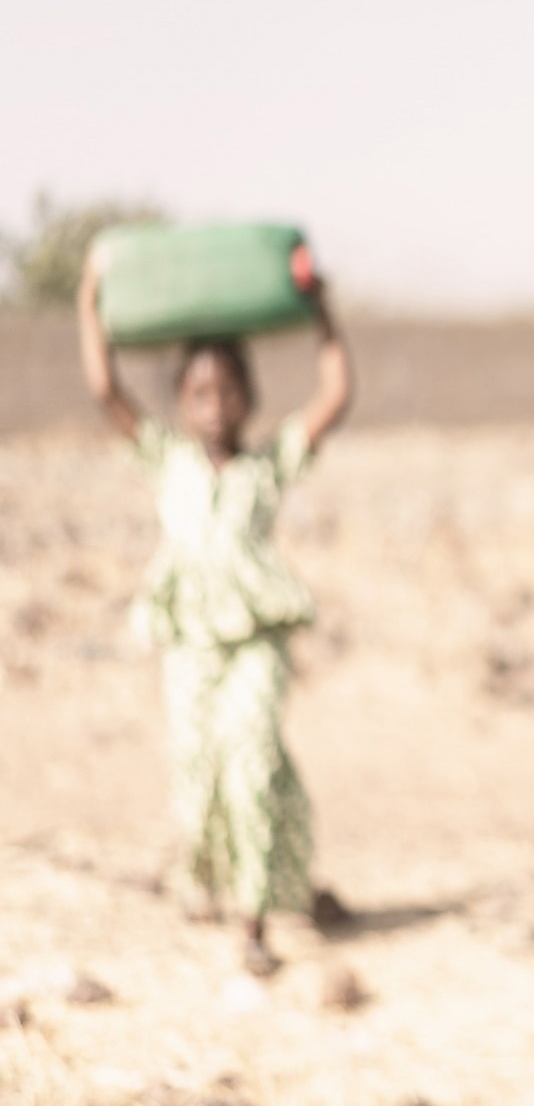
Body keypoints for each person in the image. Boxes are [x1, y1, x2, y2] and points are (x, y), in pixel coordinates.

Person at [76, 251, 355, 977]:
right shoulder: (165, 460)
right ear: (182, 401)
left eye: (228, 390)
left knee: (253, 759)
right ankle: (226, 881)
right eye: (200, 391)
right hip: (191, 643)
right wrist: (90, 296)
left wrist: (322, 308)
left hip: (257, 638)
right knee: (199, 773)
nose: (215, 403)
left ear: (247, 398)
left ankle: (254, 919)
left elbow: (335, 393)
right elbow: (105, 385)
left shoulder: (267, 467)